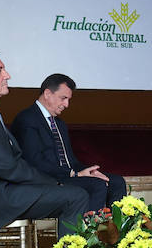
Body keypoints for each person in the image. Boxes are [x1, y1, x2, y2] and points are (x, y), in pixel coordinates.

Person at [0, 51, 95, 239]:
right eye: (0, 70)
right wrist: (54, 182)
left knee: (75, 192)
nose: (7, 75)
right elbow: (6, 166)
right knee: (75, 196)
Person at [11, 73, 127, 216]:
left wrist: (88, 171)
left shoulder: (59, 124)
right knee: (97, 185)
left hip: (66, 175)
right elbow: (34, 161)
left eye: (68, 100)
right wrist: (74, 174)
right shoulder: (27, 119)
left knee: (116, 182)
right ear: (47, 93)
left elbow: (70, 161)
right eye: (63, 98)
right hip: (46, 180)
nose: (67, 105)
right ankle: (88, 235)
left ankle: (116, 233)